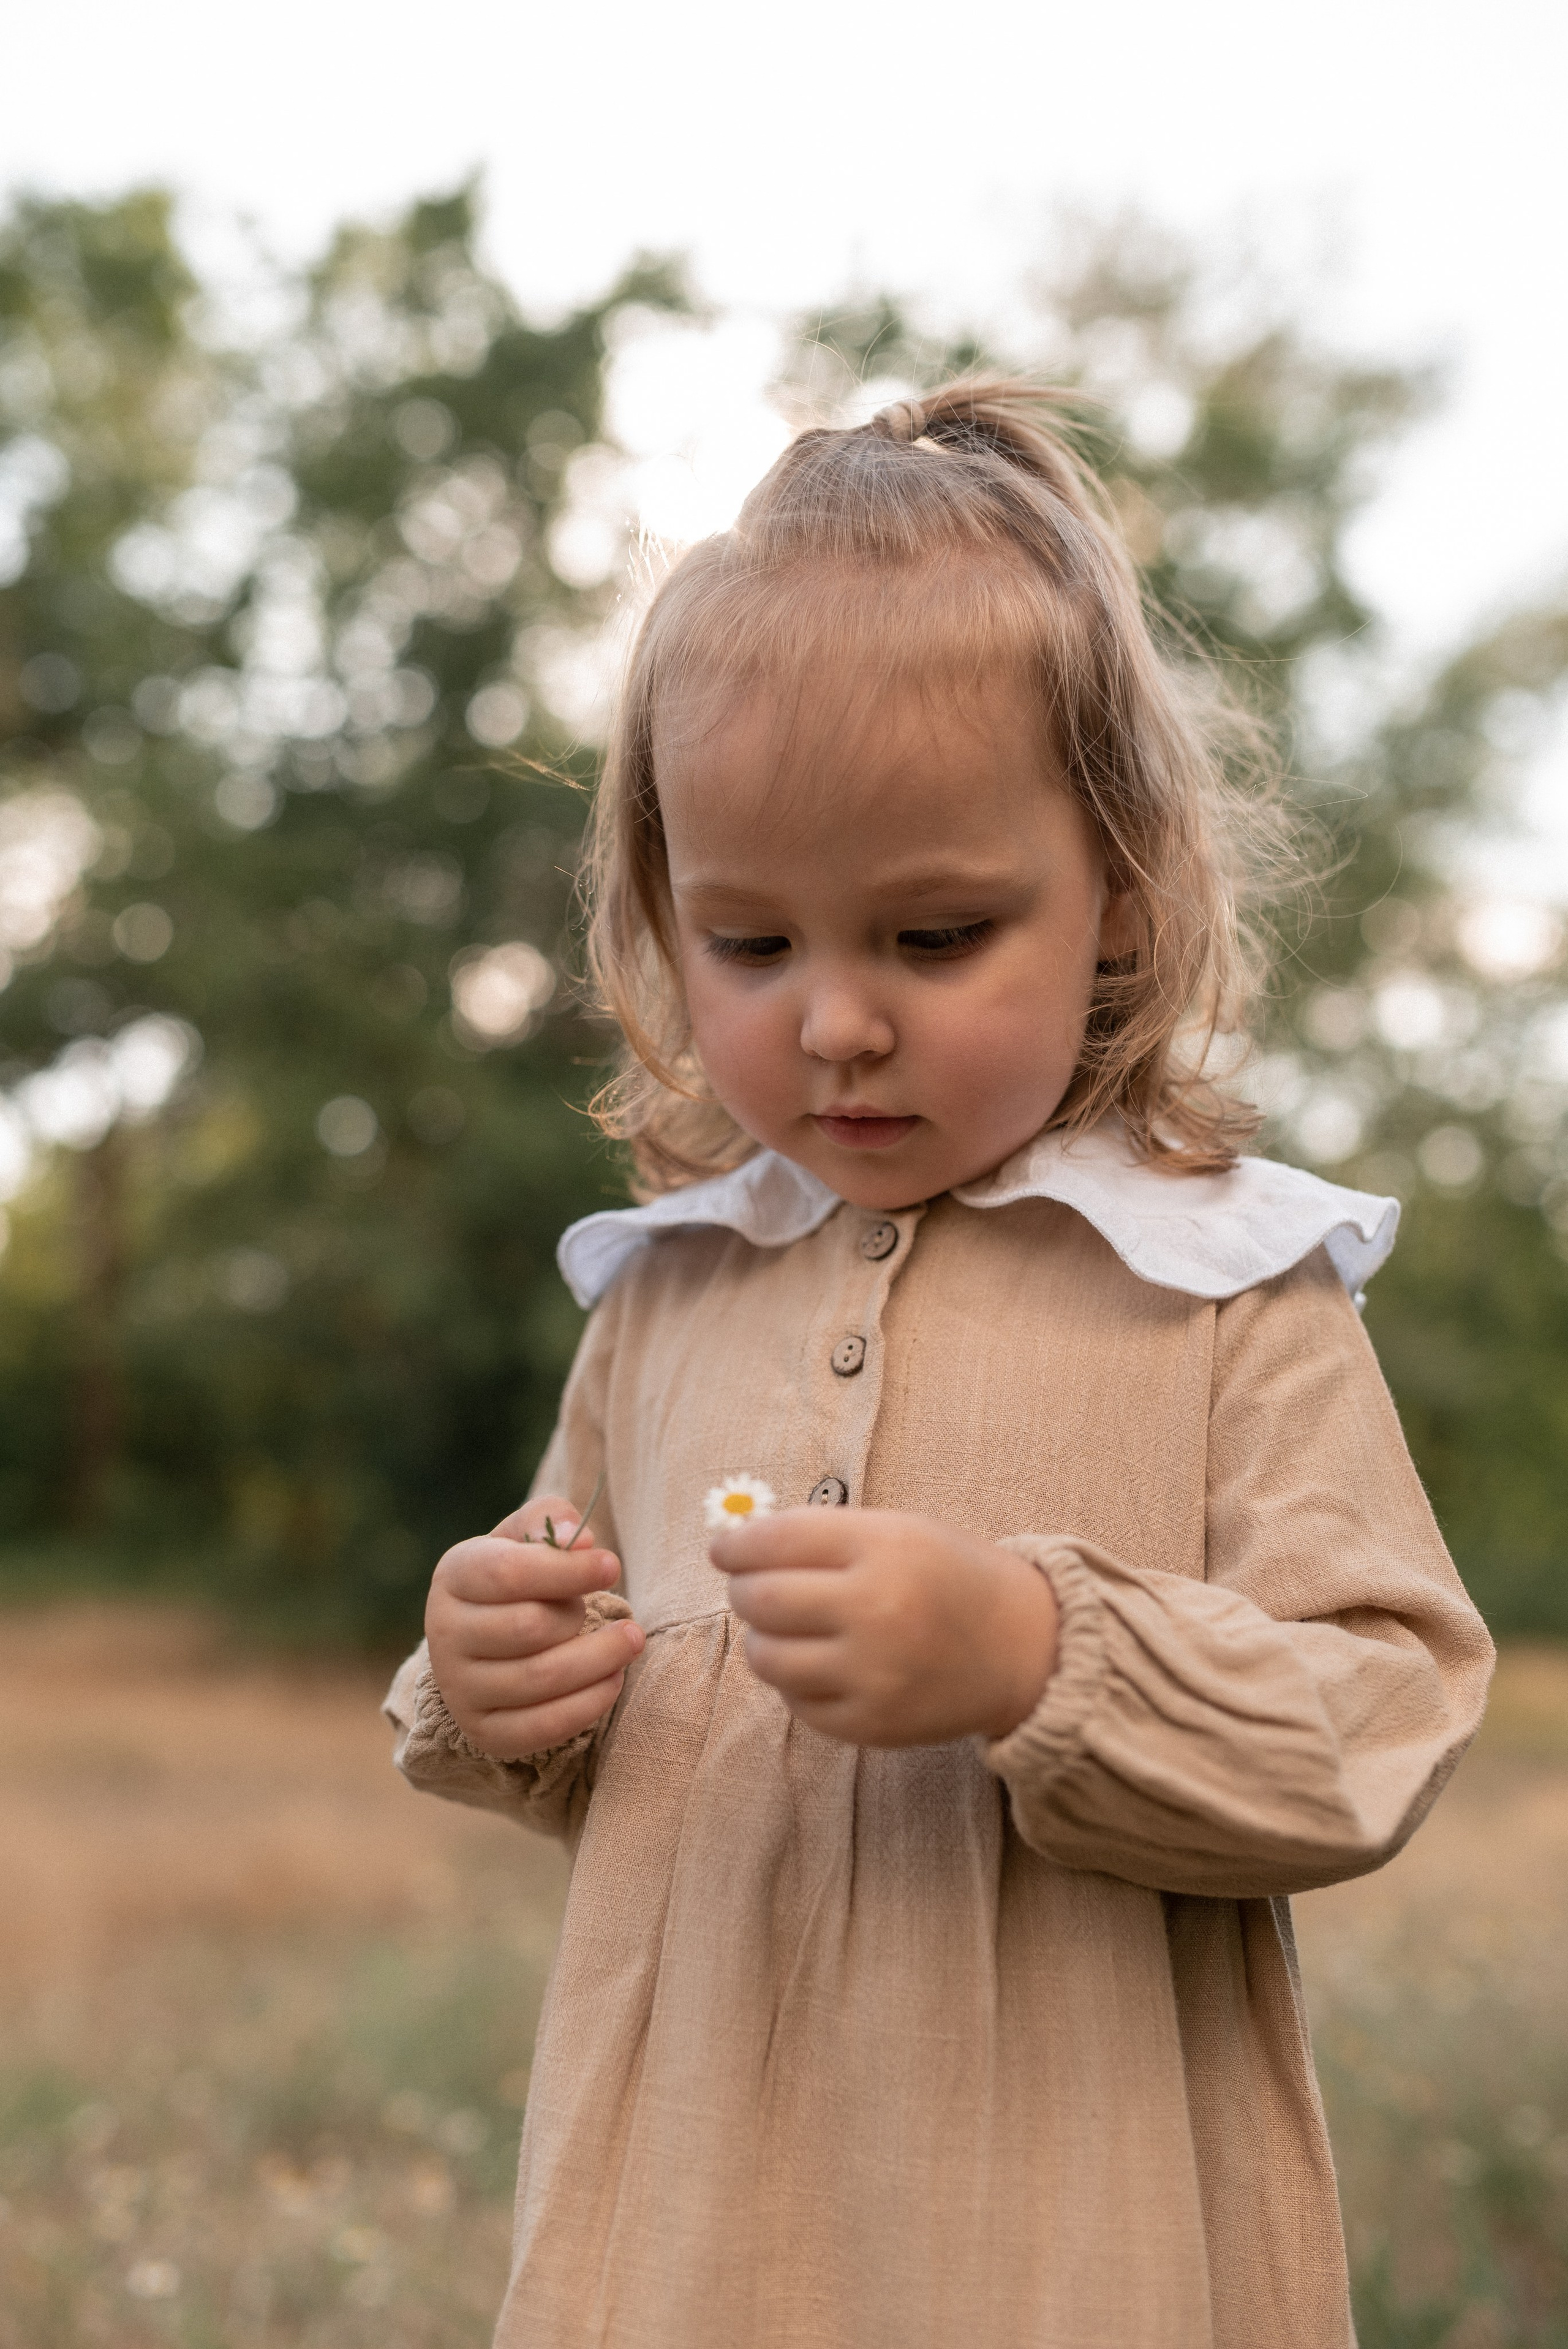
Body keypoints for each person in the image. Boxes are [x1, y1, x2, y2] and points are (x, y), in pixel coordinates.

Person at [385, 380, 1493, 2349]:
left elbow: (1383, 1713)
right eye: (748, 944)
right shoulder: (668, 1294)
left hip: (1070, 2221)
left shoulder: (1225, 1283)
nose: (834, 1024)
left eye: (933, 932)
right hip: (692, 2210)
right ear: (661, 918)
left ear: (1120, 898)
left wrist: (1035, 1656)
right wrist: (498, 1679)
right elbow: (613, 1677)